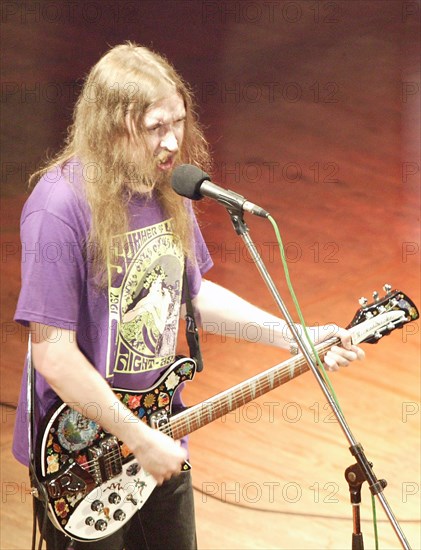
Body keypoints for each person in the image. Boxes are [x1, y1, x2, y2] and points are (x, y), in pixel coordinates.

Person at [13, 43, 365, 550]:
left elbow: (192, 296)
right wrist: (137, 438)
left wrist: (299, 337)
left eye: (178, 122)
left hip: (160, 427)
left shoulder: (165, 187)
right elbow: (52, 352)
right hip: (84, 455)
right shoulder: (60, 207)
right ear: (113, 127)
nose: (173, 142)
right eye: (156, 127)